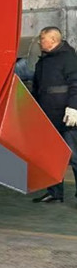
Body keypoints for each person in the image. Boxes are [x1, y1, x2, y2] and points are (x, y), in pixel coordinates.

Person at [32, 26, 77, 203]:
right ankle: (55, 192)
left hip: (67, 118)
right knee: (51, 156)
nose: (39, 42)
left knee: (74, 156)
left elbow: (76, 84)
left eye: (42, 39)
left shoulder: (69, 58)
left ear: (53, 39)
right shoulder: (42, 61)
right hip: (47, 117)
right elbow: (37, 89)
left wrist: (74, 107)